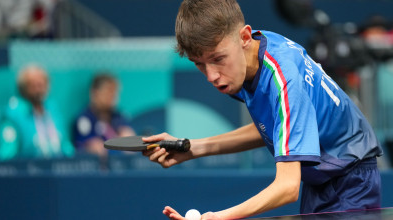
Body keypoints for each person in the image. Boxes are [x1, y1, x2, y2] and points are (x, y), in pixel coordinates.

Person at [142, 0, 384, 219]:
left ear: (245, 37)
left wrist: (219, 217)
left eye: (217, 59)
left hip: (350, 180)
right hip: (321, 182)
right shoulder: (251, 52)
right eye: (200, 65)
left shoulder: (283, 80)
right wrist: (192, 147)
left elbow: (288, 188)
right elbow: (280, 125)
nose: (211, 76)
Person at [0, 64, 74, 160]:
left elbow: (66, 145)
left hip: (61, 169)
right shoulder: (12, 115)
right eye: (33, 85)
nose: (38, 90)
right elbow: (7, 157)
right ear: (22, 88)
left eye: (41, 85)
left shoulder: (53, 110)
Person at [73, 73, 135, 158]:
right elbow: (87, 146)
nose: (113, 96)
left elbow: (130, 141)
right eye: (108, 91)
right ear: (94, 93)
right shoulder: (84, 119)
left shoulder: (119, 116)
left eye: (115, 92)